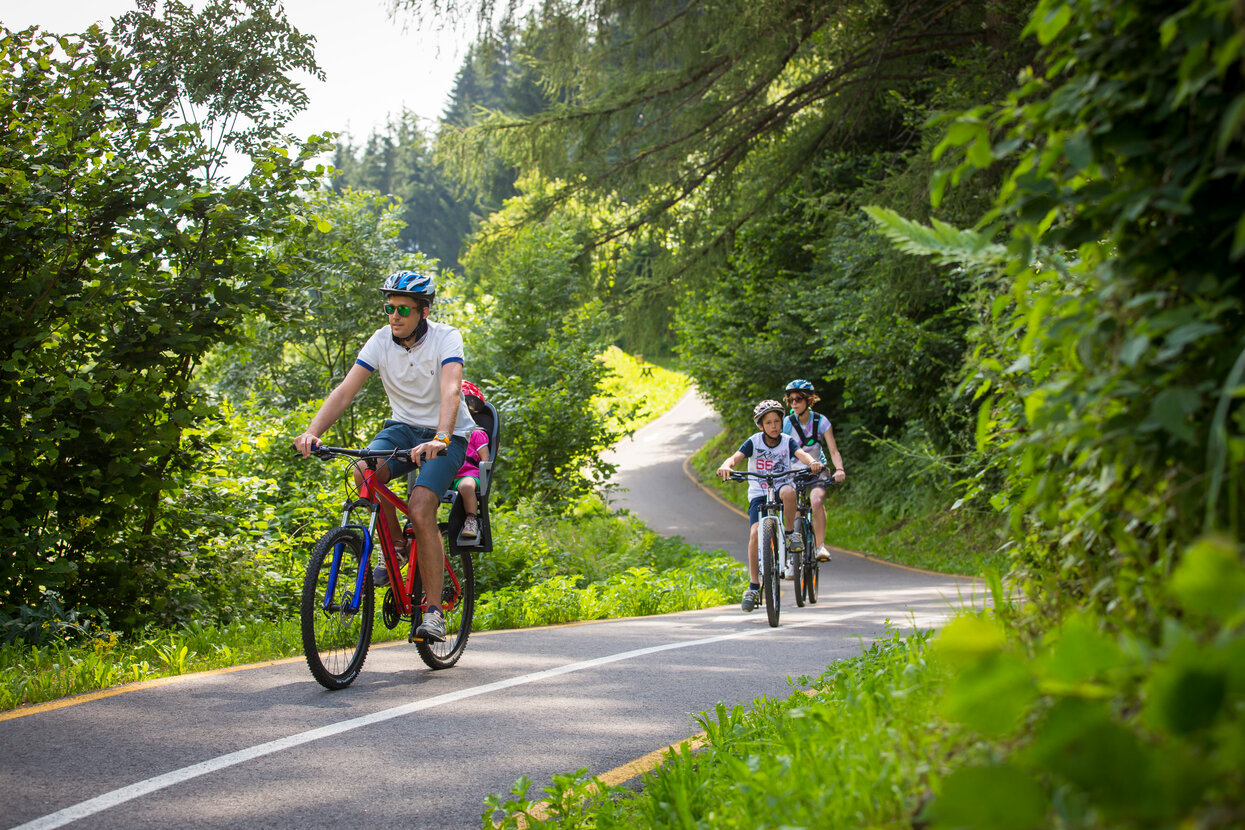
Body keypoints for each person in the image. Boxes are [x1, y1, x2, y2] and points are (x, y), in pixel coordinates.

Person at [293, 270, 475, 643]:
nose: (394, 316)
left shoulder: (446, 337)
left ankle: (434, 611)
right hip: (402, 428)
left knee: (422, 507)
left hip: (447, 433)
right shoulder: (380, 341)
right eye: (389, 308)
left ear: (423, 312)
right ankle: (394, 545)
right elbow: (345, 391)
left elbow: (451, 390)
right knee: (363, 472)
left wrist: (441, 437)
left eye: (403, 310)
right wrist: (314, 431)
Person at [716, 399, 824, 612]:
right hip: (759, 493)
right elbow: (735, 458)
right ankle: (754, 586)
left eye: (777, 421)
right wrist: (725, 465)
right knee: (755, 534)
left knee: (789, 491)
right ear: (760, 425)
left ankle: (791, 533)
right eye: (769, 422)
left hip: (782, 486)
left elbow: (801, 454)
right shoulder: (754, 442)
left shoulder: (786, 441)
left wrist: (811, 462)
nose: (774, 426)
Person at [781, 379, 846, 562]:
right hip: (793, 472)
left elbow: (833, 450)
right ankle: (793, 558)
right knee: (794, 508)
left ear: (809, 400)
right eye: (791, 399)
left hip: (817, 469)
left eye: (799, 399)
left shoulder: (821, 421)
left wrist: (839, 469)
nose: (794, 403)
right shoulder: (786, 423)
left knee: (816, 500)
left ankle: (820, 547)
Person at [454, 381, 491, 540]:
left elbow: (485, 459)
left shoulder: (477, 434)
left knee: (467, 486)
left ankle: (471, 520)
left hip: (468, 474)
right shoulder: (443, 435)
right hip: (447, 473)